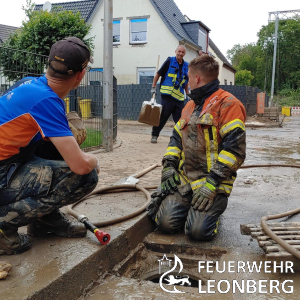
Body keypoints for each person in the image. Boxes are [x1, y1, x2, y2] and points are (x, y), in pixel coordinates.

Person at [0, 37, 100, 255]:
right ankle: (2, 227)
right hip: (3, 171)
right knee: (87, 175)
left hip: (10, 162)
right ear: (80, 75)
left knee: (53, 147)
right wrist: (93, 160)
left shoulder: (29, 83)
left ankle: (45, 220)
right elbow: (80, 166)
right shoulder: (46, 101)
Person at [146, 54, 246, 241]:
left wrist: (212, 184)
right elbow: (175, 140)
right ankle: (189, 207)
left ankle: (211, 213)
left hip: (213, 183)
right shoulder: (189, 106)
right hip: (185, 179)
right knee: (165, 223)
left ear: (197, 78)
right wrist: (168, 166)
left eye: (189, 77)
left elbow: (235, 151)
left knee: (198, 232)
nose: (187, 81)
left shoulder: (229, 105)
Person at [150, 45, 189, 143]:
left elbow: (186, 81)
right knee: (162, 116)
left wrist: (188, 94)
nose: (180, 53)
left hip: (179, 98)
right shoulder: (169, 61)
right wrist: (153, 87)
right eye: (179, 51)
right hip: (167, 96)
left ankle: (181, 139)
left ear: (185, 54)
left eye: (182, 52)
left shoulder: (186, 66)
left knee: (181, 120)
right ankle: (154, 135)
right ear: (175, 51)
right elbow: (158, 74)